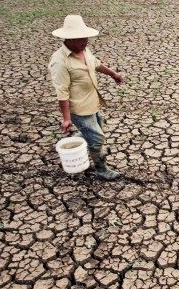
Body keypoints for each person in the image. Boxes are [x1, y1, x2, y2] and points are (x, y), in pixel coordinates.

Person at [48, 15, 124, 180]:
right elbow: (62, 93)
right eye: (81, 39)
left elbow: (95, 63)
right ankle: (101, 169)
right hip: (80, 109)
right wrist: (67, 119)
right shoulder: (60, 62)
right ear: (69, 39)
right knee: (97, 138)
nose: (85, 42)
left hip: (93, 102)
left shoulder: (83, 49)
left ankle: (80, 141)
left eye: (86, 38)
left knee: (96, 132)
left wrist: (113, 74)